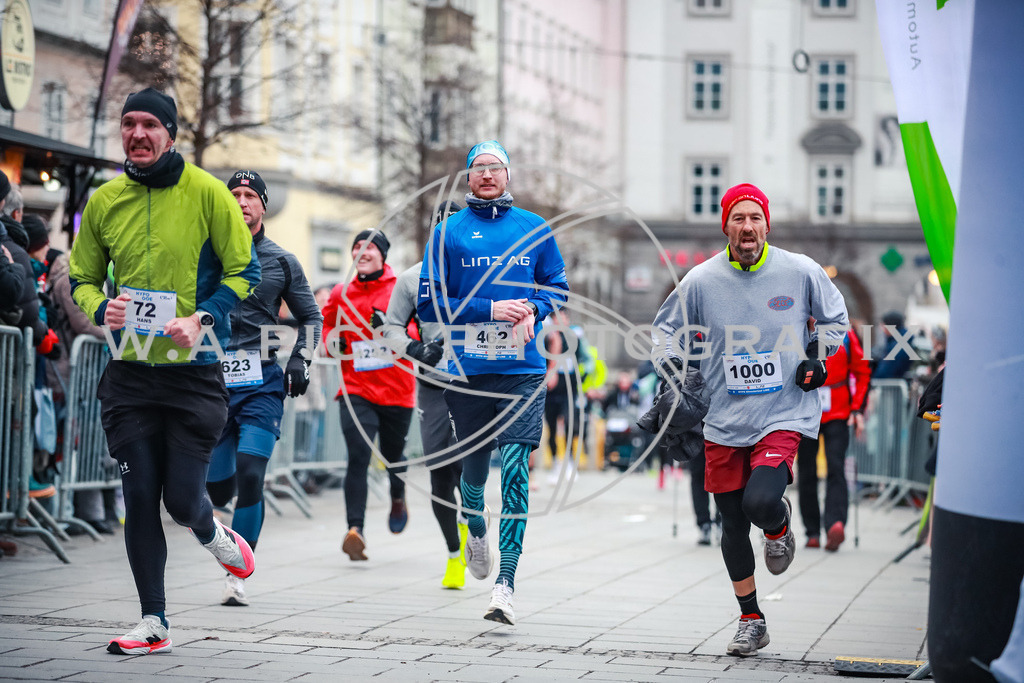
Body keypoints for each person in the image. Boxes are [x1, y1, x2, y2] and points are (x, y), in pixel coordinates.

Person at [69, 88, 261, 655]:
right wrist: (101, 308)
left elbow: (243, 270)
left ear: (170, 134)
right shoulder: (105, 200)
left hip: (193, 375)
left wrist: (202, 318)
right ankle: (153, 620)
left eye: (150, 124)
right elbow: (81, 277)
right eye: (129, 123)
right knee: (138, 497)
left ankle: (210, 530)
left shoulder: (207, 193)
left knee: (180, 501)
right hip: (129, 375)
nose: (137, 133)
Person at [652, 182, 848, 656]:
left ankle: (778, 527)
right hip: (723, 417)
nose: (747, 227)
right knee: (732, 524)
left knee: (760, 502)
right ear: (726, 227)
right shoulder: (701, 280)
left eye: (755, 218)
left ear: (766, 225)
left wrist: (818, 358)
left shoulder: (800, 271)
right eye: (738, 219)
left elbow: (836, 319)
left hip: (783, 411)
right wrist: (674, 369)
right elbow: (664, 331)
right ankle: (751, 620)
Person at [417, 140, 569, 624]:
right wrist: (489, 309)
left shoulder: (534, 227)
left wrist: (536, 310)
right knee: (474, 476)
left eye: (495, 167)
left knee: (517, 471)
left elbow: (557, 286)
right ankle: (474, 524)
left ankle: (505, 584)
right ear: (468, 177)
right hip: (468, 371)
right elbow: (428, 304)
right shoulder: (447, 233)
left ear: (508, 175)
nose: (487, 175)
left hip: (523, 371)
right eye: (479, 168)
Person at [205, 170, 321, 607]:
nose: (241, 201)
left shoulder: (282, 261)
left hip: (261, 384)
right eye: (234, 194)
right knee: (218, 490)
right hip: (211, 383)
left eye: (250, 195)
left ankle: (236, 575)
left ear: (263, 205)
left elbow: (312, 318)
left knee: (252, 474)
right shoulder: (205, 254)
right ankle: (223, 510)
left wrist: (300, 360)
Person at [383, 199, 469, 588]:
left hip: (474, 385)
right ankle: (453, 554)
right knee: (440, 476)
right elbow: (390, 328)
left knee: (467, 469)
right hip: (433, 385)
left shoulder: (484, 273)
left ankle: (471, 526)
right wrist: (416, 348)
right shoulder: (411, 280)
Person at [322, 228, 415, 561]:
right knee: (358, 456)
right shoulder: (340, 293)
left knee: (393, 456)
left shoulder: (401, 288)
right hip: (355, 388)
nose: (361, 252)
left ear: (382, 254)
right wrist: (334, 341)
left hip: (397, 390)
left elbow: (416, 332)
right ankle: (355, 530)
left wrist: (390, 329)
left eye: (369, 247)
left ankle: (398, 496)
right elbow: (327, 326)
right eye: (356, 246)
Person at [797, 324, 870, 551]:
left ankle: (835, 525)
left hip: (838, 412)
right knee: (806, 471)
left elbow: (863, 370)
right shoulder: (796, 329)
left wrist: (857, 408)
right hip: (805, 412)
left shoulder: (846, 334)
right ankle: (812, 531)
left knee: (836, 467)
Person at [871, 311, 914, 379]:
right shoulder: (896, 342)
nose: (882, 329)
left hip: (890, 384)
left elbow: (885, 372)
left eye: (883, 325)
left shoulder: (898, 347)